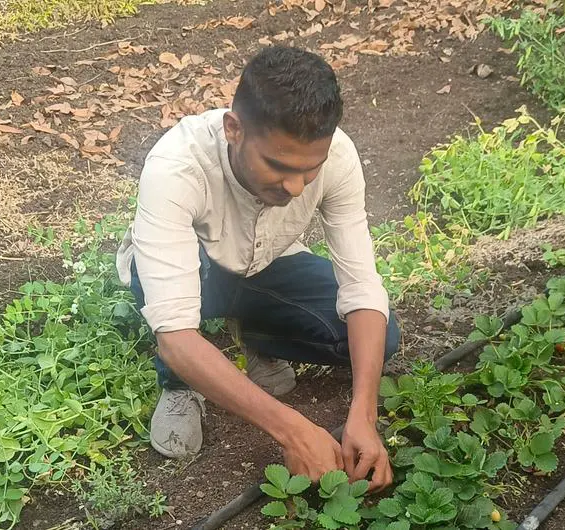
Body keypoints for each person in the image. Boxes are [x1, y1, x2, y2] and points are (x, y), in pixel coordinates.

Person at [115, 45, 400, 489]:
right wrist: (293, 430)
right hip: (198, 267)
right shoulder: (176, 167)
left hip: (268, 261)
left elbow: (362, 287)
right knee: (180, 317)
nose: (294, 185)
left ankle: (252, 336)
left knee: (383, 336)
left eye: (310, 170)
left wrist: (364, 413)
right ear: (234, 129)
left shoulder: (339, 157)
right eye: (278, 166)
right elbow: (174, 333)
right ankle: (180, 386)